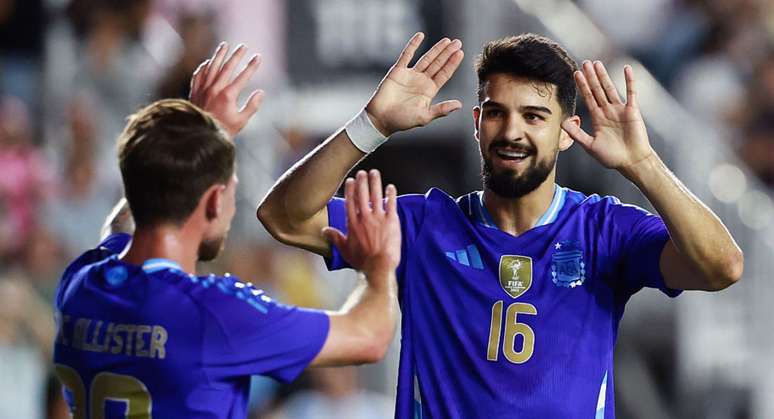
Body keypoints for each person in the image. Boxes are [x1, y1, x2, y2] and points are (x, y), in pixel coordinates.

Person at [256, 32, 744, 418]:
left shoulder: (602, 230)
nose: (512, 132)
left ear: (567, 132)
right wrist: (371, 125)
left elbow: (721, 266)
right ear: (476, 122)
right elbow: (284, 217)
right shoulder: (422, 226)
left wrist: (643, 164)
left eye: (534, 116)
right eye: (497, 113)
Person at [52, 44, 401, 418]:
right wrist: (378, 265)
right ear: (216, 200)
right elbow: (368, 337)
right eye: (233, 191)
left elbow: (122, 223)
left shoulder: (82, 284)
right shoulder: (214, 312)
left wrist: (202, 135)